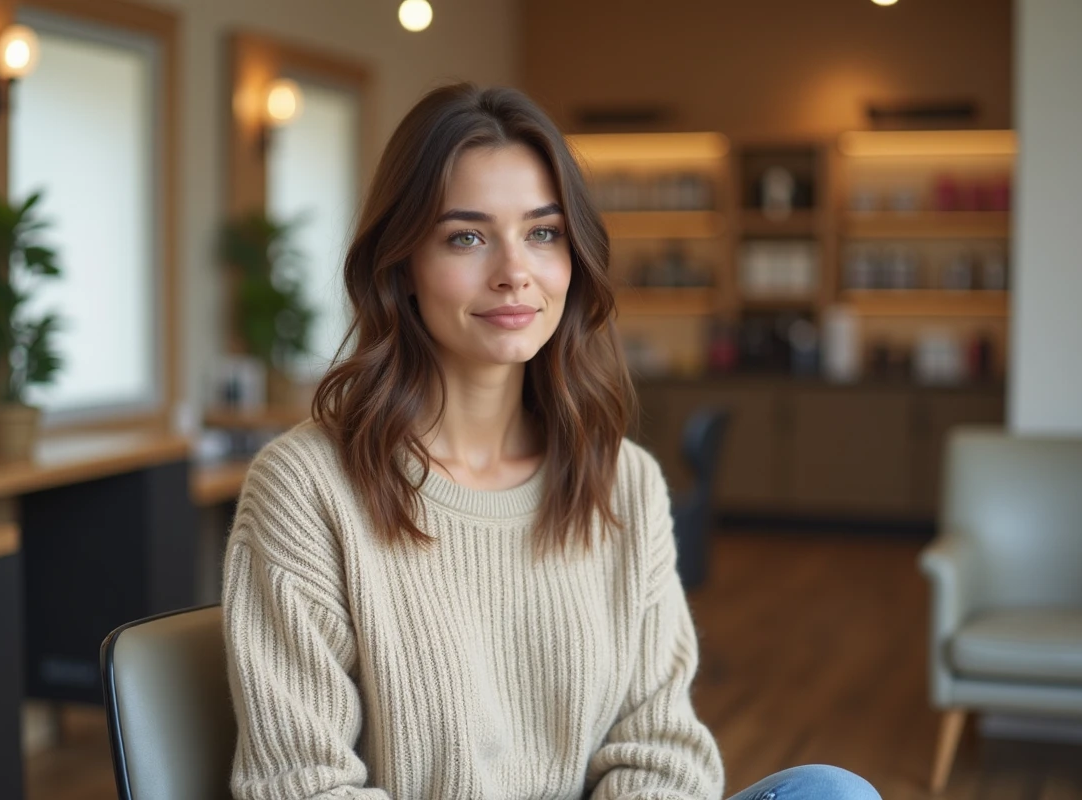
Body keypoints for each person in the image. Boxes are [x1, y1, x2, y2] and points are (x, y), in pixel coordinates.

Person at [222, 83, 881, 800]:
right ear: (402, 265)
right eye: (466, 236)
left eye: (543, 232)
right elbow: (303, 785)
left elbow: (660, 749)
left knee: (830, 792)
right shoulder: (307, 487)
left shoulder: (622, 481)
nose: (514, 273)